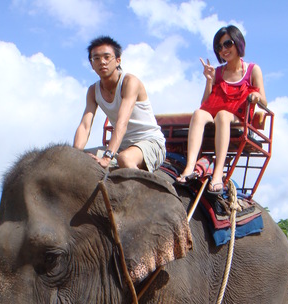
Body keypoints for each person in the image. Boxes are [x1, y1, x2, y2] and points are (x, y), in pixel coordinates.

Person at [177, 25, 267, 191]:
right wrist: (209, 80)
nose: (223, 50)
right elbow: (204, 104)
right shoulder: (218, 72)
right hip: (216, 112)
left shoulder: (253, 70)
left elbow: (264, 100)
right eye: (219, 47)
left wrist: (256, 97)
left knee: (223, 116)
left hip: (237, 115)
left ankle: (218, 173)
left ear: (238, 43)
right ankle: (189, 166)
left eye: (227, 44)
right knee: (198, 114)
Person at [73, 36, 166, 172]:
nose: (102, 62)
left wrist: (108, 156)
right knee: (83, 161)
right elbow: (85, 126)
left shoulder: (130, 82)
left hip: (149, 142)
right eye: (96, 58)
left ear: (117, 61)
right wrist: (74, 155)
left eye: (107, 57)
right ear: (92, 64)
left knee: (125, 159)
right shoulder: (93, 91)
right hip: (122, 146)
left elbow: (122, 122)